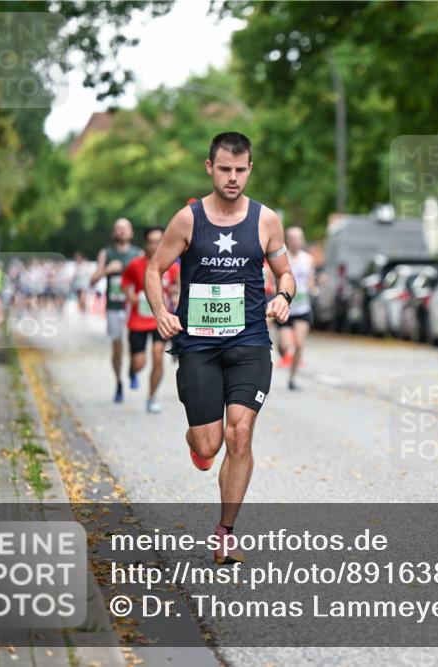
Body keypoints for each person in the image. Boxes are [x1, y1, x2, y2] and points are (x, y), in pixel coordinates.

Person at [145, 131, 293, 565]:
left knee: (240, 434)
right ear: (210, 168)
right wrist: (161, 311)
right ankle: (198, 444)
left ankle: (225, 533)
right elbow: (155, 271)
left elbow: (286, 273)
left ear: (250, 169)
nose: (232, 178)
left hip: (249, 341)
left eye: (240, 170)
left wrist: (283, 296)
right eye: (224, 169)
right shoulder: (188, 220)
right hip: (199, 347)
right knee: (209, 445)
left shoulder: (266, 220)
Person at [121, 227, 180, 414]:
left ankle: (152, 397)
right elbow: (125, 284)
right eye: (152, 241)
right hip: (138, 320)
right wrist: (130, 295)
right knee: (140, 363)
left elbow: (178, 285)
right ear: (145, 243)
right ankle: (132, 370)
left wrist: (176, 293)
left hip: (160, 319)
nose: (155, 245)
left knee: (157, 356)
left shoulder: (173, 266)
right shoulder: (135, 264)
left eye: (159, 241)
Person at [91, 218, 142, 403]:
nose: (121, 231)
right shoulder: (106, 253)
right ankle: (119, 382)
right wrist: (107, 270)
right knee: (117, 347)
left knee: (135, 345)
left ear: (131, 232)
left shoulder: (138, 254)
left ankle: (132, 371)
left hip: (132, 307)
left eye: (125, 228)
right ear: (114, 233)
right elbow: (92, 280)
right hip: (113, 307)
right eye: (118, 228)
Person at [277, 226, 315, 390]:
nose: (295, 242)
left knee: (299, 345)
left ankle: (292, 379)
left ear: (302, 240)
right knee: (286, 347)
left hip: (302, 308)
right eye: (291, 238)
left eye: (298, 238)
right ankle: (281, 348)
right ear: (287, 240)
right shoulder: (283, 258)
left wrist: (312, 288)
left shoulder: (308, 259)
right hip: (286, 307)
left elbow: (310, 280)